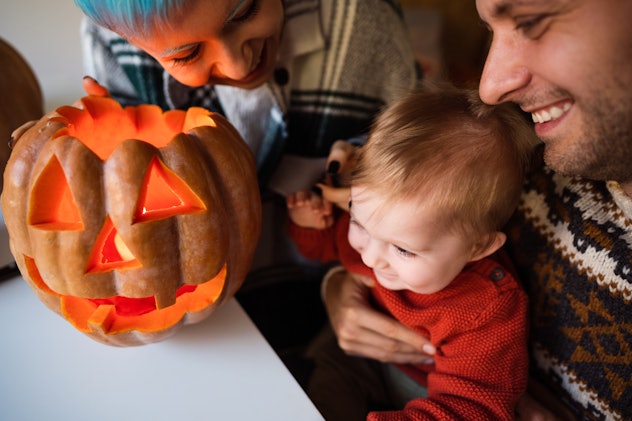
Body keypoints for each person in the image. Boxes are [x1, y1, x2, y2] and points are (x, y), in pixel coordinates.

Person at [322, 1, 632, 420]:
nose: (490, 87)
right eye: (490, 30)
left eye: (531, 21)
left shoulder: (485, 301)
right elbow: (356, 233)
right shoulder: (525, 165)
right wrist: (337, 285)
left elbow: (474, 401)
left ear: (481, 247)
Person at [71, 0, 420, 367]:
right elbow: (121, 211)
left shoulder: (363, 17)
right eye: (187, 54)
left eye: (245, 11)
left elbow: (414, 195)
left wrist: (343, 278)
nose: (239, 65)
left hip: (331, 335)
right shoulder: (112, 43)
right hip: (207, 347)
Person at [287, 86, 537, 420]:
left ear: (477, 247)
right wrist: (310, 224)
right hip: (354, 363)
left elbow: (470, 408)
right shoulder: (382, 226)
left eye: (404, 250)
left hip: (426, 397)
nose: (371, 258)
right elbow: (324, 249)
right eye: (358, 223)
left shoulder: (486, 309)